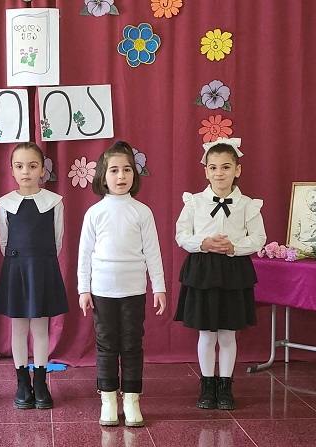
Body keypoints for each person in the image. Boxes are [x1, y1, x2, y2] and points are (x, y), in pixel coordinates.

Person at [77, 141, 167, 427]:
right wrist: (83, 289)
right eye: (114, 170)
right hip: (102, 291)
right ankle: (108, 400)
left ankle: (131, 399)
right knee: (106, 344)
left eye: (127, 170)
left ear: (134, 175)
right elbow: (84, 254)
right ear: (103, 177)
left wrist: (159, 287)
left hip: (134, 290)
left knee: (131, 344)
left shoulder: (142, 212)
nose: (121, 176)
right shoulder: (95, 212)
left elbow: (153, 252)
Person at [174, 137, 266, 410]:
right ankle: (207, 385)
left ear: (237, 169)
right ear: (205, 171)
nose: (219, 173)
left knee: (227, 334)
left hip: (233, 271)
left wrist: (234, 247)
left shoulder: (247, 204)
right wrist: (203, 243)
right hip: (203, 271)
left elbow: (259, 238)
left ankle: (225, 386)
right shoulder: (194, 202)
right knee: (206, 333)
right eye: (213, 168)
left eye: (226, 167)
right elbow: (181, 234)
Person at [0, 142, 68, 410]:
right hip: (16, 268)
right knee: (19, 327)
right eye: (20, 166)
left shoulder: (54, 202)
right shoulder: (4, 204)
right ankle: (22, 383)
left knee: (40, 327)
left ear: (42, 170)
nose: (26, 171)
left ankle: (40, 382)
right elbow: (4, 241)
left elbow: (57, 240)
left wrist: (41, 261)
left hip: (43, 267)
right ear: (12, 170)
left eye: (32, 166)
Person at [293, 187, 316, 252]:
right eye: (312, 197)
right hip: (303, 250)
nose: (315, 201)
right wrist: (304, 248)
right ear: (306, 200)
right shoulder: (300, 215)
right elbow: (293, 238)